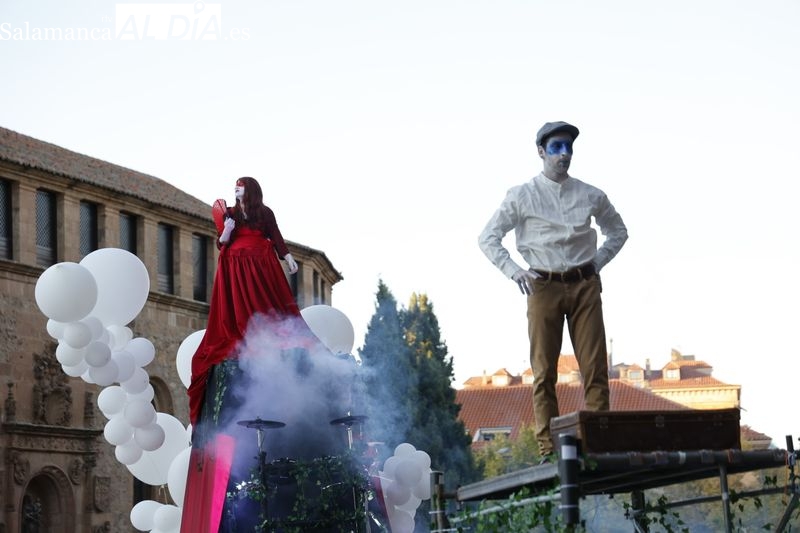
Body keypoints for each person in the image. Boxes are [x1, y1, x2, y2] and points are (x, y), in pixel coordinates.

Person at [478, 121, 628, 460]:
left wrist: (597, 262)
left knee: (595, 367)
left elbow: (618, 231)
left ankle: (598, 443)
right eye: (557, 147)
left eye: (569, 148)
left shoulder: (591, 194)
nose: (565, 154)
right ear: (541, 151)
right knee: (544, 371)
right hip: (542, 285)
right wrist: (514, 271)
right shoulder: (521, 195)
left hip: (584, 283)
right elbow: (488, 237)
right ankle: (548, 448)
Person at [182, 176, 306, 533]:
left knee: (271, 297)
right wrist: (228, 230)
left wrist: (288, 258)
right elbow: (222, 243)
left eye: (240, 187)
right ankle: (246, 328)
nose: (235, 192)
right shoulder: (227, 212)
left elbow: (278, 238)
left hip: (262, 263)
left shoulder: (264, 212)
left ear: (249, 191)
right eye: (234, 187)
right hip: (237, 264)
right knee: (234, 316)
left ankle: (270, 329)